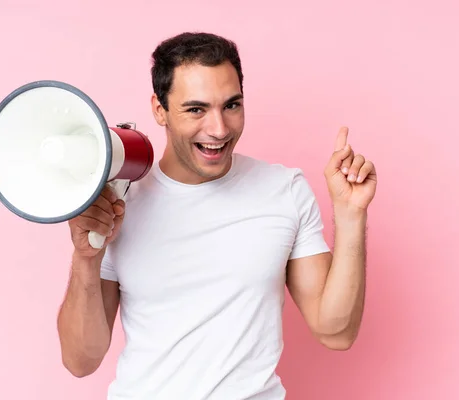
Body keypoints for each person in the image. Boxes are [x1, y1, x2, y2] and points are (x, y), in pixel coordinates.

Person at [56, 32, 377, 399]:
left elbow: (336, 332)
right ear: (159, 109)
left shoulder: (283, 190)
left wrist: (351, 215)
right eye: (196, 109)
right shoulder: (119, 201)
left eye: (232, 105)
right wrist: (86, 256)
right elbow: (80, 361)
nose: (219, 129)